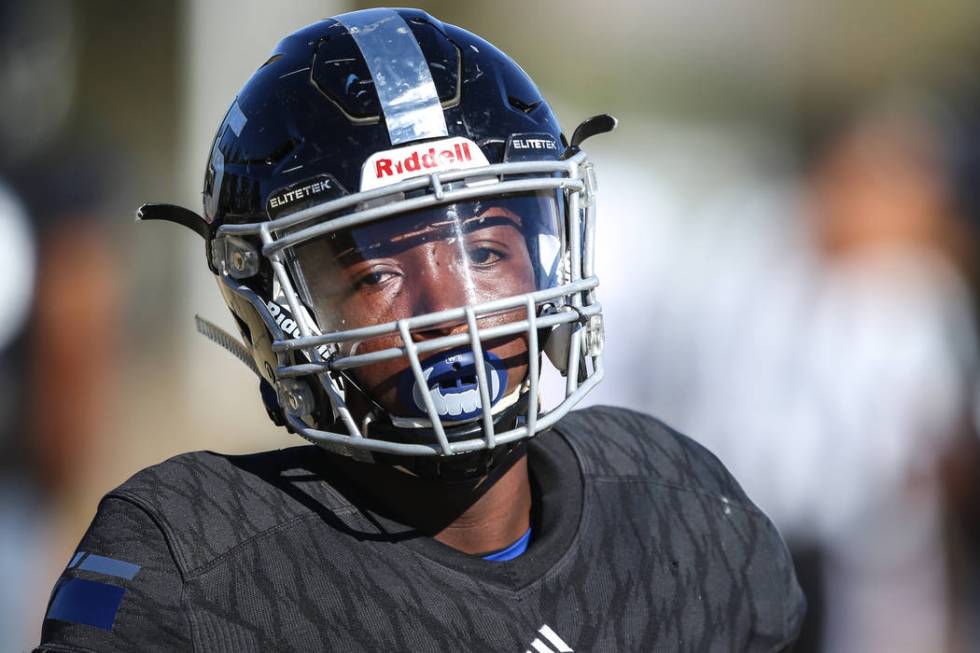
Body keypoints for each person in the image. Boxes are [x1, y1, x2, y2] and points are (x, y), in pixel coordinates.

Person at [35, 8, 804, 652]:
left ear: (549, 254)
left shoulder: (684, 513)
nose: (450, 309)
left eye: (485, 250)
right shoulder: (192, 566)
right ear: (273, 306)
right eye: (375, 275)